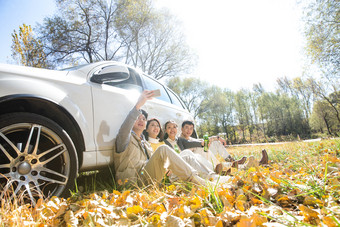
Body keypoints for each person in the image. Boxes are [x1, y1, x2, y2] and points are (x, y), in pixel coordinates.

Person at [113, 90, 217, 187]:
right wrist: (138, 105)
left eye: (144, 119)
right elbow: (125, 128)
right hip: (132, 182)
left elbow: (152, 164)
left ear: (145, 125)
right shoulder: (125, 138)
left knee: (187, 157)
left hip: (149, 178)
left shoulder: (146, 144)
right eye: (137, 118)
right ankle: (198, 182)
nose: (141, 120)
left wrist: (166, 167)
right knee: (163, 149)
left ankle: (213, 178)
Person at [143, 118, 227, 183]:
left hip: (179, 166)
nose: (156, 127)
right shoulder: (151, 144)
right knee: (187, 153)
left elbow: (195, 142)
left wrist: (215, 138)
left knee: (192, 153)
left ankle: (214, 174)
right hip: (170, 172)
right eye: (152, 125)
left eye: (157, 125)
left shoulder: (163, 142)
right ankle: (213, 175)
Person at [179, 120, 269, 172]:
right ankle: (243, 164)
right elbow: (200, 144)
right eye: (186, 128)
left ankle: (233, 161)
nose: (189, 130)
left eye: (191, 128)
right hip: (197, 162)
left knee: (215, 143)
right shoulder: (180, 140)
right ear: (182, 129)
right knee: (202, 148)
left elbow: (203, 141)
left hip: (205, 157)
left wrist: (217, 138)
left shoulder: (191, 138)